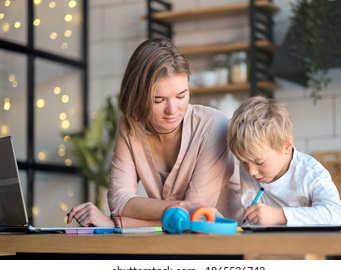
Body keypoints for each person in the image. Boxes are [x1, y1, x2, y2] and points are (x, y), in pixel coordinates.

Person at [66, 37, 243, 228]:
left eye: (181, 96)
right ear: (138, 97)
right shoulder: (130, 126)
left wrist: (117, 223)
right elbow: (119, 200)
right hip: (171, 245)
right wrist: (183, 207)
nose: (172, 110)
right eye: (159, 100)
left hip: (226, 244)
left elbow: (196, 217)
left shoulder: (213, 125)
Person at [227, 95, 341, 225]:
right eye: (243, 162)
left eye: (259, 162)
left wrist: (280, 215)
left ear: (286, 146)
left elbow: (337, 215)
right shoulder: (251, 166)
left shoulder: (311, 173)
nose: (251, 171)